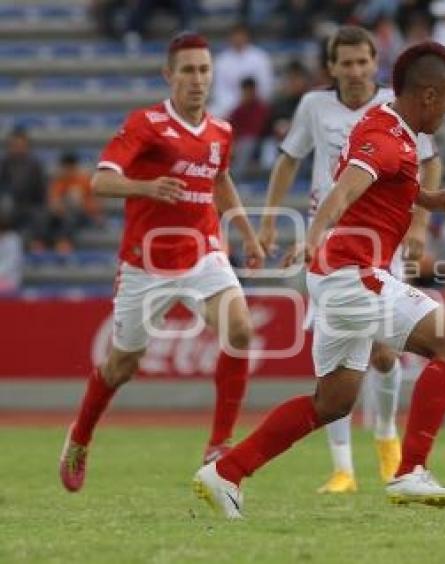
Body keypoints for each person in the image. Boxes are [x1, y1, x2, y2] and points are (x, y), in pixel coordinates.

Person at [193, 41, 445, 519]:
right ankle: (411, 471)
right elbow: (343, 193)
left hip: (340, 276)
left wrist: (429, 199)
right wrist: (315, 236)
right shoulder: (386, 137)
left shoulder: (391, 129)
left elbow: (385, 185)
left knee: (333, 401)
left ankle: (226, 472)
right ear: (427, 95)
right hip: (352, 272)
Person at [58, 32, 265, 493]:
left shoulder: (221, 130)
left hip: (203, 253)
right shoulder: (145, 124)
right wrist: (147, 187)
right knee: (122, 366)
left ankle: (218, 444)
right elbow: (100, 182)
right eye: (188, 70)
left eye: (204, 70)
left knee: (241, 329)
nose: (197, 79)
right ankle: (81, 435)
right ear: (168, 75)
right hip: (145, 265)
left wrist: (246, 234)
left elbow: (221, 180)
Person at [258, 25, 444, 494]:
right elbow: (288, 160)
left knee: (384, 353)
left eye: (363, 61)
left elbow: (430, 159)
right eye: (346, 62)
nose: (356, 70)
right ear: (332, 66)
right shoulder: (313, 107)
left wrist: (421, 224)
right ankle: (342, 468)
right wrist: (268, 221)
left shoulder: (394, 106)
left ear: (374, 62)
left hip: (382, 237)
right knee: (338, 356)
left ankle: (386, 440)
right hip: (331, 239)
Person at [210, 23, 274, 119]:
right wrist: (235, 103)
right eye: (235, 36)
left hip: (254, 103)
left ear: (247, 37)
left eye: (241, 35)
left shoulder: (260, 57)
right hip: (229, 104)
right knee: (211, 113)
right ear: (230, 38)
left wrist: (249, 100)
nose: (238, 39)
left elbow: (265, 85)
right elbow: (220, 89)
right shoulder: (222, 60)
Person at [47, 151, 101, 253]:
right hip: (64, 215)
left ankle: (64, 242)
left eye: (70, 168)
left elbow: (94, 204)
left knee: (71, 217)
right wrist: (58, 206)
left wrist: (82, 204)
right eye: (65, 168)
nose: (67, 171)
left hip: (84, 215)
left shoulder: (84, 180)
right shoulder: (59, 182)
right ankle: (40, 243)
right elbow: (53, 201)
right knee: (49, 217)